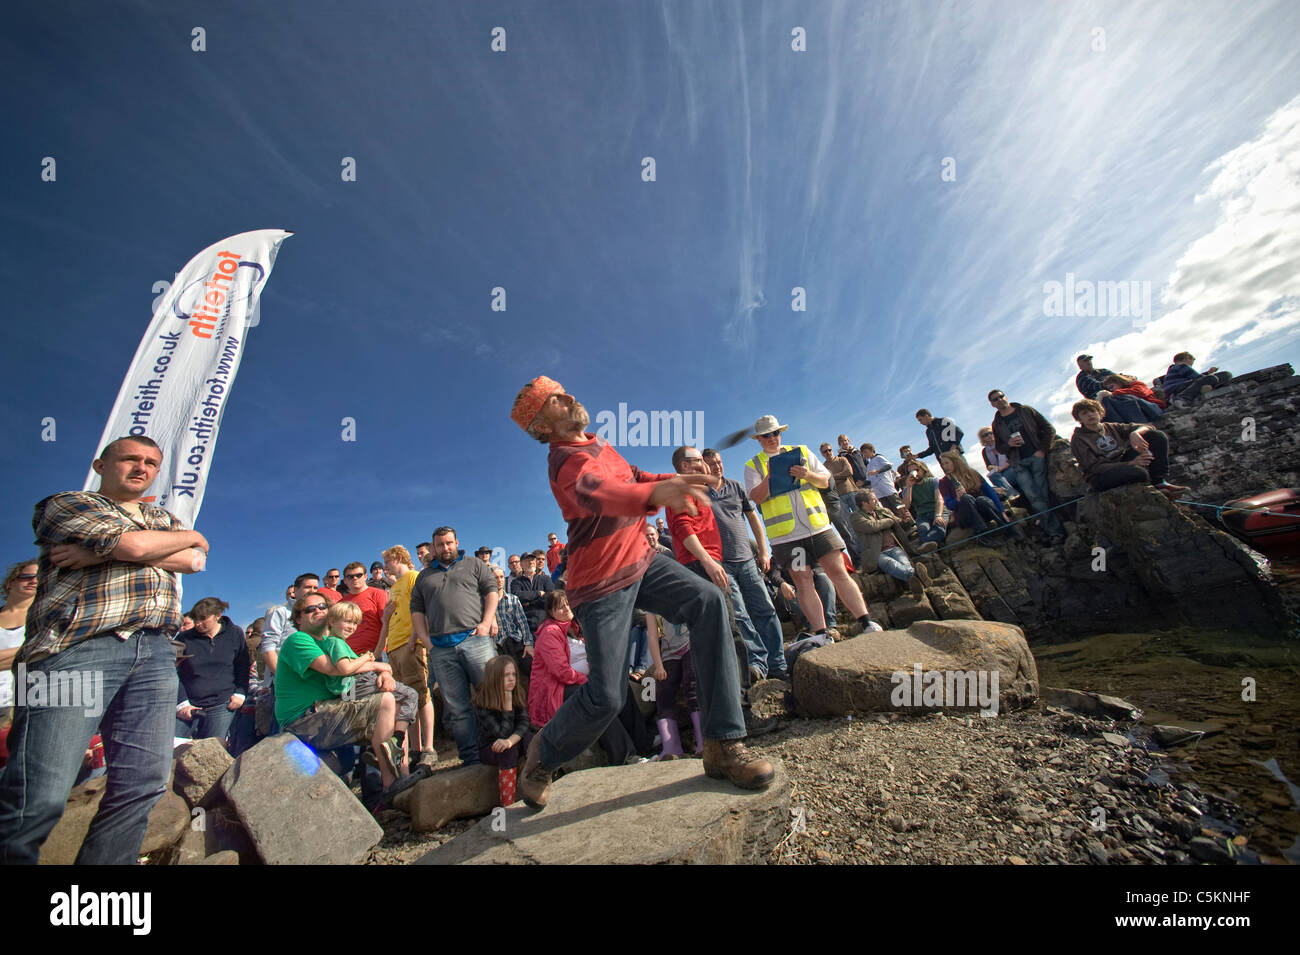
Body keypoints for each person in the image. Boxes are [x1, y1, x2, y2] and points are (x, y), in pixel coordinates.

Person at [511, 377, 772, 807]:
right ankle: (544, 754)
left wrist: (678, 479)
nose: (569, 397)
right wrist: (657, 492)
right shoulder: (564, 462)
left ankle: (724, 744)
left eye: (564, 390)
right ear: (541, 426)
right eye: (554, 400)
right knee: (606, 697)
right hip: (600, 584)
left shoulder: (601, 445)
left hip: (643, 560)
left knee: (708, 602)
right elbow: (601, 494)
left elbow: (634, 476)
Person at [0, 435, 208, 864]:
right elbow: (141, 547)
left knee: (143, 785)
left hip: (154, 653)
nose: (141, 467)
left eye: (151, 462)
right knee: (40, 793)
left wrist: (100, 553)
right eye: (130, 458)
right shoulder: (66, 505)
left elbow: (195, 559)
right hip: (74, 650)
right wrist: (144, 546)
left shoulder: (160, 516)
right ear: (100, 464)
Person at [743, 415, 881, 640]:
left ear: (781, 433)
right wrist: (770, 477)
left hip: (818, 528)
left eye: (775, 433)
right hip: (788, 538)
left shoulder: (802, 451)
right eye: (766, 435)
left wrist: (807, 474)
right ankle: (821, 633)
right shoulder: (753, 465)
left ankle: (866, 622)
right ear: (758, 438)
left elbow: (826, 481)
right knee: (803, 581)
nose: (771, 438)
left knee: (838, 573)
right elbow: (755, 498)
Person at [275, 595, 406, 790]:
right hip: (304, 719)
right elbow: (337, 670)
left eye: (322, 606)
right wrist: (379, 664)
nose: (318, 610)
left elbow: (358, 674)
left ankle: (398, 780)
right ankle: (392, 783)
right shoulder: (298, 639)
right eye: (310, 609)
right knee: (385, 702)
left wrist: (384, 673)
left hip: (327, 711)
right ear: (298, 618)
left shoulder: (330, 643)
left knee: (393, 702)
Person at [410, 526, 498, 766]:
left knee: (493, 695)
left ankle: (503, 748)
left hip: (475, 640)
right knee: (458, 709)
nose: (445, 548)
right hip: (441, 649)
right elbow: (416, 611)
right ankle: (471, 760)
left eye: (449, 543)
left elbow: (492, 590)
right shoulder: (424, 577)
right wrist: (427, 642)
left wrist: (486, 623)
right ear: (433, 547)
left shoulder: (473, 564)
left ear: (456, 542)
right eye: (440, 544)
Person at [701, 447, 788, 682]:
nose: (716, 466)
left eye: (718, 461)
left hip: (748, 560)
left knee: (766, 610)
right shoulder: (698, 494)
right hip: (722, 564)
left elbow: (753, 519)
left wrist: (763, 550)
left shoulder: (737, 486)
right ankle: (757, 664)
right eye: (710, 463)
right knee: (739, 616)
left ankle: (778, 664)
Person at [377, 546, 436, 770]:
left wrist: (416, 635)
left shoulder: (414, 577)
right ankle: (414, 749)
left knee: (421, 694)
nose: (385, 565)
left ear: (399, 558)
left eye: (388, 561)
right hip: (394, 646)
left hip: (411, 644)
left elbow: (424, 607)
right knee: (405, 700)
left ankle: (429, 746)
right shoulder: (393, 587)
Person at [988, 389, 1065, 543]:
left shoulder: (1025, 410)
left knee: (1042, 494)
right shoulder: (997, 423)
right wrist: (1008, 444)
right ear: (992, 404)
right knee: (1033, 496)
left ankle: (1055, 531)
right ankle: (1054, 531)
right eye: (995, 399)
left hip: (1036, 456)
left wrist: (1041, 451)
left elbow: (1048, 428)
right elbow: (1001, 448)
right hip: (1019, 462)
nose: (1000, 400)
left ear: (1006, 397)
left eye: (1001, 397)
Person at [1069, 399, 1189, 496]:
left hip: (1123, 461)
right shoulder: (1078, 439)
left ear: (1100, 413)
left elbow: (1148, 427)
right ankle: (1148, 490)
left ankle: (1159, 481)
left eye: (1093, 411)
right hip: (1102, 475)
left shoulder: (1110, 426)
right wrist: (1130, 464)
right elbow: (1094, 467)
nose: (1090, 415)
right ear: (1079, 419)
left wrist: (1135, 433)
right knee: (1138, 473)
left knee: (1156, 436)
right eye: (1084, 413)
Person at [175, 597, 250, 750]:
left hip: (222, 704)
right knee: (173, 749)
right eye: (196, 620)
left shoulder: (235, 634)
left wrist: (241, 693)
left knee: (212, 752)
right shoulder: (184, 638)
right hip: (189, 705)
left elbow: (242, 667)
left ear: (218, 615)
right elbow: (173, 672)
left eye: (203, 619)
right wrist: (182, 703)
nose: (198, 624)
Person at [257, 572, 320, 737]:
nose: (312, 590)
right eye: (307, 587)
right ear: (296, 590)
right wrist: (281, 677)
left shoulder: (318, 614)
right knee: (280, 734)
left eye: (315, 587)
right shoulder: (281, 612)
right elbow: (268, 647)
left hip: (310, 681)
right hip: (283, 682)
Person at [472, 656, 532, 806]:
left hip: (512, 741)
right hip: (491, 747)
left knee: (530, 738)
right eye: (506, 675)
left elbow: (524, 722)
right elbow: (500, 734)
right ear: (495, 677)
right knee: (507, 751)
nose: (511, 679)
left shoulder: (517, 692)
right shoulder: (483, 702)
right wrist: (507, 705)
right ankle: (508, 803)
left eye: (514, 675)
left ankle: (537, 784)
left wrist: (510, 741)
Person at [851, 491, 932, 596]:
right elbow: (871, 526)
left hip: (894, 548)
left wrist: (905, 521)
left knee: (904, 562)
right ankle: (915, 573)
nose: (876, 501)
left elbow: (897, 522)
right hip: (876, 554)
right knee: (889, 563)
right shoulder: (855, 517)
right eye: (873, 499)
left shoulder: (884, 511)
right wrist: (888, 521)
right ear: (864, 503)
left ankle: (913, 580)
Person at [646, 612, 701, 757]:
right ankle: (671, 747)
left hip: (691, 645)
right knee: (663, 695)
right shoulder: (650, 606)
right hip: (668, 653)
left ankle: (703, 741)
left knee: (693, 688)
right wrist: (658, 666)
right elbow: (652, 636)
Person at [936, 450, 1018, 541]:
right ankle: (984, 536)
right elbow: (949, 505)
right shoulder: (943, 482)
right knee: (966, 498)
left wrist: (1001, 511)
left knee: (981, 500)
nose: (945, 466)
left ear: (955, 461)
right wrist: (958, 499)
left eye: (947, 463)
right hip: (965, 515)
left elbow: (990, 492)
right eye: (943, 464)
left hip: (982, 509)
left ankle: (1008, 528)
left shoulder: (972, 473)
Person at [0, 561, 38, 724]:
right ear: (10, 583)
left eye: (39, 578)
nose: (34, 581)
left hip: (19, 706)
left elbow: (42, 651)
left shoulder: (43, 621)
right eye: (27, 577)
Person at [339, 561, 388, 655]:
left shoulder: (378, 594)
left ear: (365, 576)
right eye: (350, 576)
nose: (355, 578)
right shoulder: (340, 603)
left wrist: (377, 653)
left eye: (359, 575)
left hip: (375, 653)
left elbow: (386, 625)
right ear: (345, 581)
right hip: (349, 656)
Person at [899, 461, 946, 551]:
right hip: (922, 515)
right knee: (922, 529)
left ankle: (924, 545)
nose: (914, 473)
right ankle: (929, 545)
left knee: (939, 528)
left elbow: (939, 499)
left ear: (923, 470)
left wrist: (938, 515)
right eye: (910, 472)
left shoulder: (933, 481)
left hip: (937, 510)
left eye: (916, 470)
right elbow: (905, 507)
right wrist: (909, 487)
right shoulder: (907, 489)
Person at [1162, 352, 1233, 407]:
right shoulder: (1182, 366)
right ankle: (1182, 398)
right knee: (1223, 375)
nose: (1193, 360)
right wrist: (1209, 376)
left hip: (1179, 388)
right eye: (1192, 358)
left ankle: (1204, 388)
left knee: (1217, 377)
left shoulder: (1174, 368)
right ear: (1185, 358)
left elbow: (1197, 378)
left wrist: (1208, 372)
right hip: (1179, 389)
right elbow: (1198, 378)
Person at [509, 551, 553, 635]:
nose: (531, 562)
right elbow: (517, 595)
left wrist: (529, 602)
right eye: (527, 560)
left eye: (532, 560)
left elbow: (550, 596)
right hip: (525, 624)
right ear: (521, 564)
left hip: (545, 622)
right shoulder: (516, 582)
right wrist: (538, 593)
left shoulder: (545, 579)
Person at [859, 443, 907, 515]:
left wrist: (878, 471)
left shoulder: (879, 457)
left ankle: (910, 524)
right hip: (879, 492)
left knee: (898, 507)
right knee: (889, 511)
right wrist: (863, 483)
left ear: (871, 450)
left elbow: (889, 466)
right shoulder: (869, 465)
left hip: (887, 488)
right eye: (863, 453)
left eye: (865, 452)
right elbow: (869, 479)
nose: (865, 455)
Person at [1102, 374, 1167, 410]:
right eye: (1109, 389)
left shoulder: (1138, 384)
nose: (1111, 390)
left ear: (1118, 382)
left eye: (1111, 387)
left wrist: (1114, 393)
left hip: (1156, 407)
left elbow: (1141, 392)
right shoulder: (1121, 392)